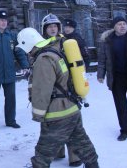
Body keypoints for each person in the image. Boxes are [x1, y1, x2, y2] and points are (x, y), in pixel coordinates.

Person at [17, 27, 99, 168]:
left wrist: (38, 114)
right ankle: (93, 165)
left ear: (28, 44)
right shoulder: (56, 51)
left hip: (58, 113)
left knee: (44, 151)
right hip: (72, 108)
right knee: (81, 142)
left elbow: (42, 90)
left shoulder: (44, 59)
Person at [41, 14, 81, 167]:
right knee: (51, 121)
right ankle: (58, 151)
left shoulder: (67, 43)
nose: (53, 29)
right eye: (49, 26)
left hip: (67, 88)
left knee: (71, 121)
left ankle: (74, 156)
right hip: (50, 88)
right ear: (45, 29)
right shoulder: (41, 44)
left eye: (55, 26)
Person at [97, 16, 127, 141]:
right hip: (117, 78)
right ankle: (125, 130)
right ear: (114, 27)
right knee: (121, 106)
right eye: (119, 24)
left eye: (124, 23)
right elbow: (102, 59)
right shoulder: (107, 41)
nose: (122, 26)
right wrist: (100, 74)